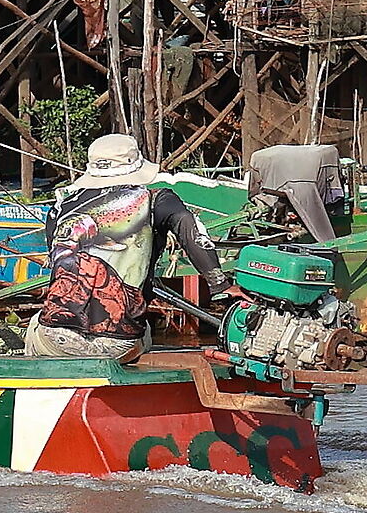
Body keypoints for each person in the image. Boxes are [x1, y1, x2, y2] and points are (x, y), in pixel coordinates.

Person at [27, 134, 228, 359]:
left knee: (37, 325)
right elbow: (186, 223)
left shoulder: (60, 208)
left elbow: (57, 263)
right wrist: (220, 285)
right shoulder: (156, 199)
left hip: (57, 338)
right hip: (118, 344)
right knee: (144, 331)